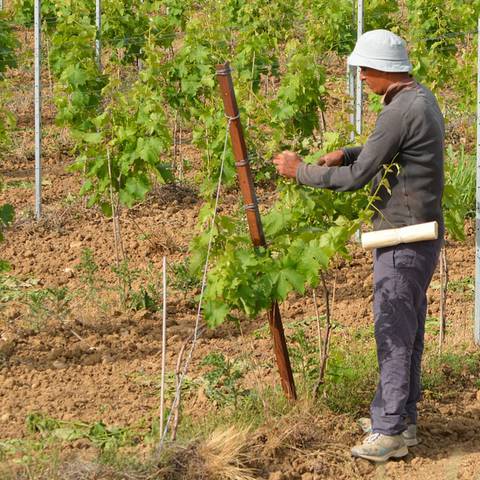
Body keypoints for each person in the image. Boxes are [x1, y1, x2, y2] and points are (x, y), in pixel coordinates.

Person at [273, 29, 444, 463]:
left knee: (392, 330)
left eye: (364, 70)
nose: (362, 78)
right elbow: (384, 153)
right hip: (420, 235)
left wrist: (303, 171)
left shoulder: (399, 111)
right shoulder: (419, 99)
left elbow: (357, 180)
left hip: (402, 238)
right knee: (408, 328)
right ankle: (401, 419)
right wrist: (348, 152)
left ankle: (388, 431)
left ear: (383, 70)